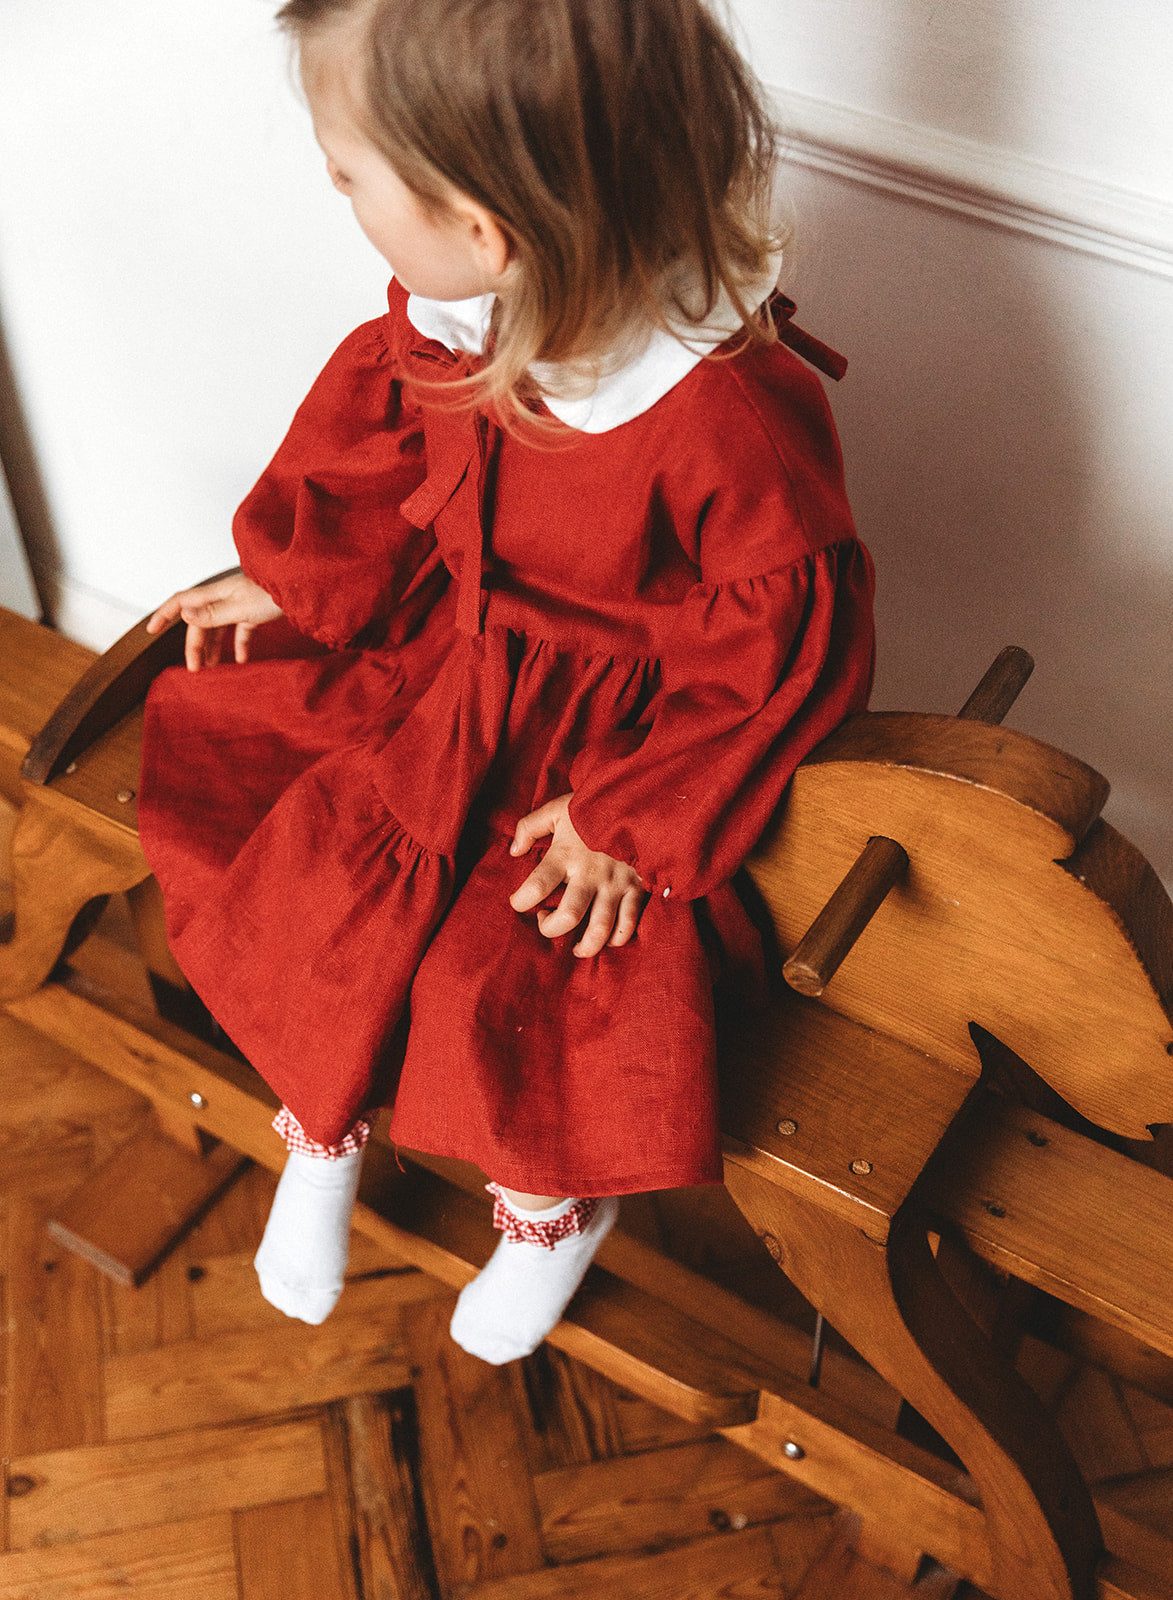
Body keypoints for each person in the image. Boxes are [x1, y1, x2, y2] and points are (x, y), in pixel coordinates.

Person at [138, 0, 875, 1365]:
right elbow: (380, 462)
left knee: (520, 983)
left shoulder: (720, 414)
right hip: (452, 674)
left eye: (348, 175)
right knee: (318, 890)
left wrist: (629, 818)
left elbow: (771, 652)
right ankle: (321, 1129)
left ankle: (548, 1212)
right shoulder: (459, 318)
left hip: (606, 746)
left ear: (485, 228)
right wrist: (298, 577)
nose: (338, 192)